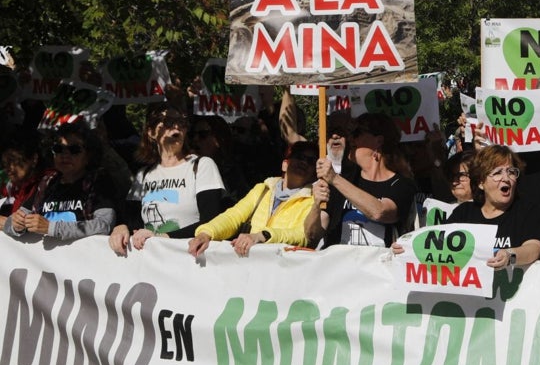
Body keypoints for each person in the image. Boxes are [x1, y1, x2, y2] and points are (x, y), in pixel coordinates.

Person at [109, 106, 225, 254]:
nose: (176, 126)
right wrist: (121, 227)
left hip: (190, 257)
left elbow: (211, 221)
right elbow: (133, 222)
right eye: (168, 122)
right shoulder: (144, 175)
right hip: (154, 259)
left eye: (181, 122)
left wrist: (163, 237)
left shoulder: (201, 165)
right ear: (151, 132)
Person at [187, 141, 319, 259]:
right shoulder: (262, 189)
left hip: (282, 269)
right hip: (250, 264)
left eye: (311, 161)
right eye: (299, 157)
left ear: (314, 172)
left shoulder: (315, 199)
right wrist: (206, 233)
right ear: (285, 164)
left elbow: (302, 235)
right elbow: (234, 216)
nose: (304, 163)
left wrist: (262, 236)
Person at [307, 113, 416, 248]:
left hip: (378, 267)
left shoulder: (401, 184)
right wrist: (316, 206)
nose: (350, 138)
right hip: (337, 266)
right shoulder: (344, 182)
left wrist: (334, 179)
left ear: (379, 141)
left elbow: (380, 212)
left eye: (357, 133)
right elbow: (312, 236)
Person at [4, 122, 118, 241]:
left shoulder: (99, 181)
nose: (65, 155)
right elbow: (10, 223)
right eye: (58, 149)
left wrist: (52, 228)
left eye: (74, 149)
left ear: (89, 155)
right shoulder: (46, 183)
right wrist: (16, 224)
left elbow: (105, 225)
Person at [445, 144, 540, 272]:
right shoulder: (463, 213)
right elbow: (443, 248)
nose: (506, 178)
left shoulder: (526, 211)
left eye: (511, 172)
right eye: (497, 173)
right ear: (480, 182)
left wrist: (509, 255)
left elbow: (534, 248)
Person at [1, 130, 47, 217]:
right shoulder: (11, 186)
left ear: (34, 159)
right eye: (5, 163)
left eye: (14, 161)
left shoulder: (46, 185)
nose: (8, 168)